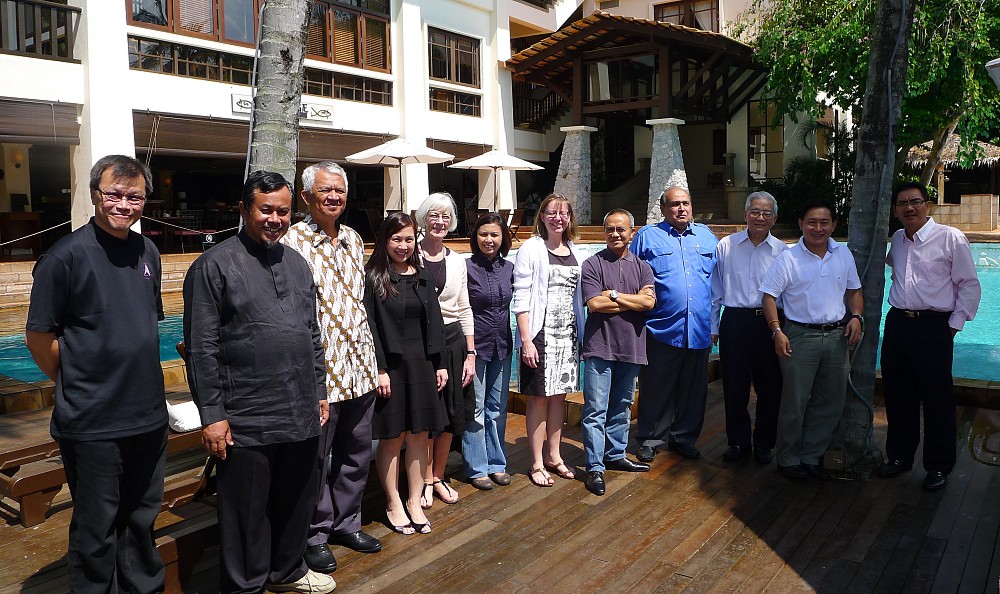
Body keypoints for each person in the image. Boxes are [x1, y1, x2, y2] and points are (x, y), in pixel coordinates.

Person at [183, 171, 334, 594]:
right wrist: (212, 415)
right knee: (245, 511)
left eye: (283, 211)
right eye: (265, 209)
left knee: (295, 499)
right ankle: (244, 586)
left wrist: (319, 391)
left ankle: (287, 571)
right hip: (245, 413)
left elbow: (312, 333)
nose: (275, 219)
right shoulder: (213, 266)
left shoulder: (297, 263)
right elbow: (201, 348)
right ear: (244, 209)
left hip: (299, 407)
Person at [25, 155, 167, 593]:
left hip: (148, 415)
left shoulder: (148, 251)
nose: (124, 204)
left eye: (134, 197)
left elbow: (145, 324)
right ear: (94, 195)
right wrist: (76, 378)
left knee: (141, 520)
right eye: (114, 194)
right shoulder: (64, 257)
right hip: (93, 420)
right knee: (95, 528)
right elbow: (39, 337)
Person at [281, 162, 382, 576]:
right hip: (320, 371)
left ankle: (346, 523)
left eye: (340, 190)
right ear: (307, 196)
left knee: (357, 452)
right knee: (316, 458)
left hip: (360, 365)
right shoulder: (291, 241)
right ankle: (315, 534)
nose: (334, 197)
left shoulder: (355, 239)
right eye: (325, 190)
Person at [878, 182, 981, 491]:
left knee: (938, 398)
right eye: (902, 203)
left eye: (915, 201)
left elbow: (969, 284)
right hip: (898, 323)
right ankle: (899, 456)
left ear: (927, 205)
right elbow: (894, 270)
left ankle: (938, 466)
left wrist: (952, 326)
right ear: (895, 210)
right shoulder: (898, 240)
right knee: (897, 393)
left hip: (934, 326)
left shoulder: (950, 238)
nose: (909, 208)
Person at [760, 199, 863, 480]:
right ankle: (788, 458)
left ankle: (811, 455)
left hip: (837, 336)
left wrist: (856, 316)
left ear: (834, 225)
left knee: (831, 401)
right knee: (795, 401)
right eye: (812, 222)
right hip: (799, 336)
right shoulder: (788, 258)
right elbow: (768, 297)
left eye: (824, 222)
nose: (818, 228)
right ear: (801, 224)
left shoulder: (843, 254)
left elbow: (854, 290)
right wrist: (777, 331)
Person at [364, 212, 449, 535]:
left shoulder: (423, 275)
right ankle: (393, 502)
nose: (403, 245)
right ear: (385, 241)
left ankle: (415, 500)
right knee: (392, 437)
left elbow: (436, 322)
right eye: (396, 239)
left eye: (409, 239)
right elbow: (370, 326)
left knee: (419, 435)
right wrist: (380, 368)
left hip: (423, 364)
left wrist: (440, 363)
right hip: (392, 368)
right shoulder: (374, 277)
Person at [629, 186, 718, 463]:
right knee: (656, 387)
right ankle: (650, 438)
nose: (681, 209)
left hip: (698, 329)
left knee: (693, 391)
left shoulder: (707, 236)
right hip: (660, 328)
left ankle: (683, 437)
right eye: (675, 204)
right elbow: (631, 278)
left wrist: (714, 325)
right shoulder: (647, 237)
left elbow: (717, 284)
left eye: (686, 203)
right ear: (663, 208)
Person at [580, 209, 656, 496]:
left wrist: (612, 295)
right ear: (604, 233)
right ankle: (594, 465)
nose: (615, 234)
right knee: (596, 408)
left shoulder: (643, 267)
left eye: (620, 229)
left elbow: (649, 304)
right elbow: (594, 305)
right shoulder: (592, 264)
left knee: (622, 405)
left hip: (632, 346)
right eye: (610, 229)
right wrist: (633, 301)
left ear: (631, 233)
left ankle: (615, 454)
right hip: (600, 345)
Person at [513, 192, 586, 487]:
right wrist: (526, 340)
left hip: (568, 334)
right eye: (552, 213)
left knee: (559, 396)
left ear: (569, 218)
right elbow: (521, 297)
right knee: (539, 397)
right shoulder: (531, 248)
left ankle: (554, 455)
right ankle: (536, 462)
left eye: (563, 213)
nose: (558, 218)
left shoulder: (576, 250)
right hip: (540, 334)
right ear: (542, 216)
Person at [710, 191, 788, 465]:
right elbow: (715, 290)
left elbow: (788, 294)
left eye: (766, 213)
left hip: (770, 323)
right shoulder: (726, 245)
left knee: (770, 386)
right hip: (735, 321)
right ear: (745, 214)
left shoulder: (782, 251)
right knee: (734, 386)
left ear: (774, 218)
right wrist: (713, 326)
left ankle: (765, 443)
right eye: (755, 211)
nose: (760, 217)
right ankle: (738, 441)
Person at [415, 193, 475, 505]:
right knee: (427, 413)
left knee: (452, 412)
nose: (440, 222)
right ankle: (423, 479)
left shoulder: (457, 261)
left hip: (452, 341)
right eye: (434, 216)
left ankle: (438, 476)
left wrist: (471, 354)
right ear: (423, 219)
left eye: (445, 217)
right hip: (419, 340)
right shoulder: (410, 253)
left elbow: (464, 308)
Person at [462, 213, 515, 490]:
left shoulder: (509, 268)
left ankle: (497, 463)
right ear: (476, 237)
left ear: (502, 238)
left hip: (502, 345)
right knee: (476, 408)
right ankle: (476, 466)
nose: (489, 240)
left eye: (494, 234)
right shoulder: (466, 268)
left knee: (497, 407)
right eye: (484, 234)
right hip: (475, 347)